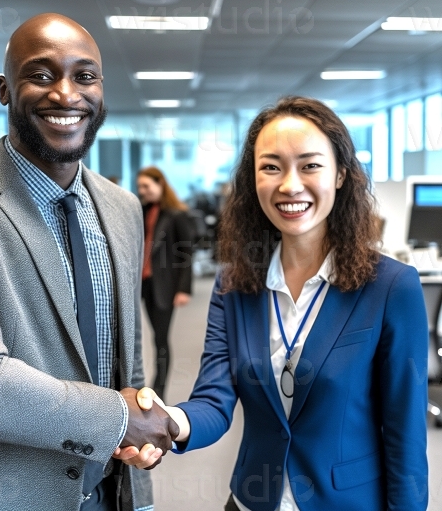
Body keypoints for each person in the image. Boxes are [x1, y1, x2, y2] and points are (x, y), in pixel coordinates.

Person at [0, 13, 178, 511]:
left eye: (84, 76)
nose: (66, 94)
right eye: (42, 75)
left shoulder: (121, 207)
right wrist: (119, 417)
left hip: (108, 488)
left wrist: (140, 471)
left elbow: (127, 360)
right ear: (6, 90)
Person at [119, 96, 429, 510]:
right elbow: (214, 397)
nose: (290, 184)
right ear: (253, 180)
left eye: (310, 165)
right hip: (252, 498)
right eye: (271, 166)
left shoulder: (391, 286)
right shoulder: (236, 282)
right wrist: (167, 423)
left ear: (340, 174)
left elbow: (405, 431)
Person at [137, 167, 193, 400]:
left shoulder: (176, 215)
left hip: (165, 285)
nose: (142, 191)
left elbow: (186, 254)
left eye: (146, 186)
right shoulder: (142, 210)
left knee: (160, 338)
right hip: (143, 283)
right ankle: (146, 385)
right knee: (148, 336)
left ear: (161, 184)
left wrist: (183, 289)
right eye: (140, 187)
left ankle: (159, 389)